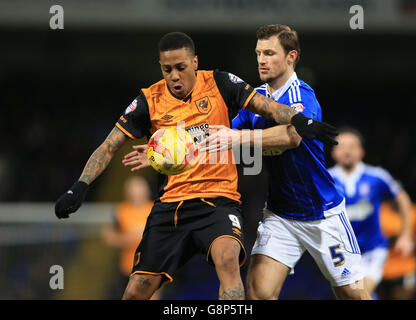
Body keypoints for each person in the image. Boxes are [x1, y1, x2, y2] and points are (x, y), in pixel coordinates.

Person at [54, 31, 338, 300]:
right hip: (171, 206)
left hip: (218, 201)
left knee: (227, 259)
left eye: (180, 67)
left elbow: (268, 107)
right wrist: (79, 186)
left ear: (195, 62)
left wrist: (299, 120)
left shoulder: (220, 82)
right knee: (136, 291)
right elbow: (109, 145)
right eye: (167, 70)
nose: (174, 76)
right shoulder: (148, 99)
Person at [198, 24, 370, 299]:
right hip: (280, 216)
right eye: (258, 53)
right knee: (258, 292)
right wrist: (169, 150)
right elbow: (221, 131)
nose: (261, 60)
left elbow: (292, 136)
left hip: (323, 215)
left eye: (269, 53)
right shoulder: (254, 99)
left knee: (354, 295)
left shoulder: (303, 96)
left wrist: (236, 139)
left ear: (291, 57)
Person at [329, 126, 414, 296]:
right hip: (341, 252)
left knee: (359, 292)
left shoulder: (377, 176)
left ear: (361, 151)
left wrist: (406, 234)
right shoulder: (326, 179)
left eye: (352, 146)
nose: (347, 151)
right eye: (341, 146)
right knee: (349, 296)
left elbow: (403, 198)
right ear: (333, 152)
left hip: (372, 250)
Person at [101, 176, 162, 299]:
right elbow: (108, 236)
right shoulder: (121, 211)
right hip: (127, 269)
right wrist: (127, 239)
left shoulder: (156, 210)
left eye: (140, 186)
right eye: (134, 187)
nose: (138, 190)